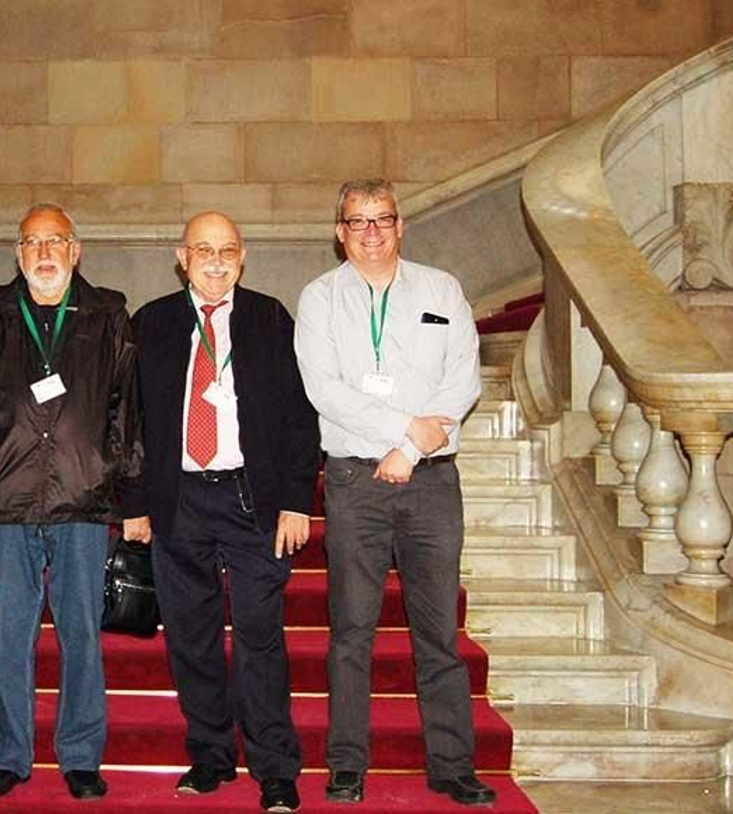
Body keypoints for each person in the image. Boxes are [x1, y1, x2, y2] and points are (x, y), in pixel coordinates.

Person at [293, 179, 494, 807]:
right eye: (358, 221)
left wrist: (412, 451)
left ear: (402, 226)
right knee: (351, 629)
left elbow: (461, 378)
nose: (372, 231)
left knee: (437, 632)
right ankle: (348, 764)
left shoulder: (442, 290)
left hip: (431, 481)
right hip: (356, 480)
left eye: (383, 219)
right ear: (340, 232)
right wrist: (405, 430)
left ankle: (452, 766)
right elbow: (324, 390)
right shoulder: (320, 299)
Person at [124, 211, 318, 813]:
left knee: (261, 638)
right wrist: (134, 506)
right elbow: (127, 422)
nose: (215, 260)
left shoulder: (268, 318)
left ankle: (275, 768)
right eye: (202, 249)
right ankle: (210, 756)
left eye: (226, 249)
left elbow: (298, 417)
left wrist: (294, 500)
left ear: (243, 255)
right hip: (178, 500)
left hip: (251, 499)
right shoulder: (152, 323)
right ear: (182, 256)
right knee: (191, 636)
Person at [0, 203, 142, 801]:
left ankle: (81, 756)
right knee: (10, 635)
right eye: (32, 242)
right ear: (18, 253)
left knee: (80, 632)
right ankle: (11, 755)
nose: (44, 252)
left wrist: (109, 472)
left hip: (81, 500)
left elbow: (126, 409)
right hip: (7, 502)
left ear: (75, 249)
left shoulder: (109, 312)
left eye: (55, 240)